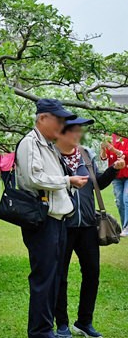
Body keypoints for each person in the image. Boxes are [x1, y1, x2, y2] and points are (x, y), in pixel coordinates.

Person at [16, 99, 91, 338]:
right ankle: (40, 331)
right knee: (43, 277)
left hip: (57, 219)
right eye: (57, 119)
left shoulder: (47, 145)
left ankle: (46, 328)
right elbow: (33, 178)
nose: (61, 124)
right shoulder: (30, 143)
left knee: (53, 276)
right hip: (42, 219)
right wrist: (67, 181)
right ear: (42, 118)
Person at [54, 118, 122, 338]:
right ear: (62, 133)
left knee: (92, 273)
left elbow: (97, 184)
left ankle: (84, 322)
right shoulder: (51, 155)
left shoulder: (86, 154)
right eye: (74, 130)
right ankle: (62, 324)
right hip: (62, 224)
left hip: (88, 227)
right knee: (60, 276)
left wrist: (113, 169)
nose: (78, 134)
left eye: (79, 131)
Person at [100, 134, 128, 236]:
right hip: (116, 176)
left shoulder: (125, 133)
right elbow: (104, 157)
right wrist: (103, 149)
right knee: (120, 201)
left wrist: (114, 150)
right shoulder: (109, 137)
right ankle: (125, 226)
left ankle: (126, 227)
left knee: (126, 199)